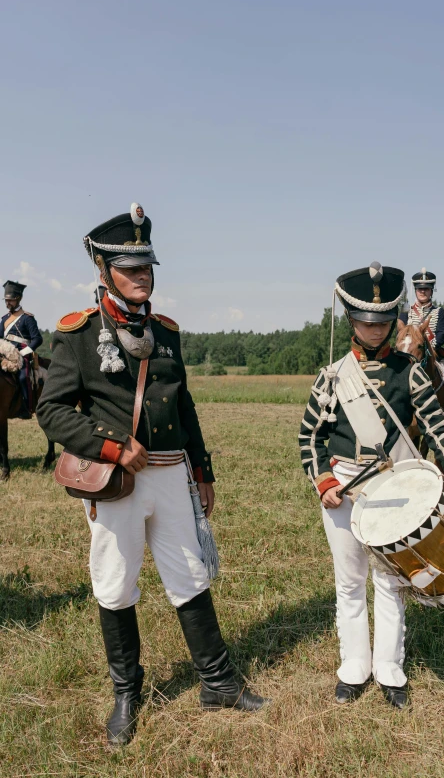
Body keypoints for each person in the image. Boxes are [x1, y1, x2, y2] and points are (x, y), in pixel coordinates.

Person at [37, 203, 268, 746]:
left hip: (171, 475)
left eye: (147, 267)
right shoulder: (77, 334)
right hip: (118, 483)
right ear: (103, 271)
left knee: (190, 574)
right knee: (116, 585)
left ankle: (218, 683)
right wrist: (112, 447)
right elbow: (52, 411)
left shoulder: (166, 333)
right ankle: (127, 694)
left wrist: (203, 469)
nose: (144, 277)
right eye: (130, 268)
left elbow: (183, 407)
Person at [299, 262, 444, 710]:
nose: (375, 329)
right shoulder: (333, 376)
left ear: (393, 318)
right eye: (365, 321)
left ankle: (390, 669)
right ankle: (354, 667)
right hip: (343, 484)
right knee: (349, 579)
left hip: (391, 483)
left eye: (382, 321)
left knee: (391, 579)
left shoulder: (410, 370)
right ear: (351, 319)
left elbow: (439, 426)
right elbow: (309, 437)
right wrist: (322, 480)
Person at [399, 268, 444, 416]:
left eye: (426, 289)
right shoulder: (405, 311)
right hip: (408, 358)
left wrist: (430, 349)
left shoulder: (438, 312)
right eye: (420, 289)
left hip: (434, 356)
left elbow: (441, 335)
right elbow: (400, 335)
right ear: (415, 290)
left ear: (432, 290)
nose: (423, 291)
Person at [0, 280, 43, 417]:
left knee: (24, 377)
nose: (8, 303)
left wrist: (22, 353)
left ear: (18, 298)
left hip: (22, 352)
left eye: (11, 300)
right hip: (4, 352)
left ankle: (26, 407)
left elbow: (37, 339)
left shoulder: (27, 318)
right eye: (6, 300)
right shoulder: (4, 318)